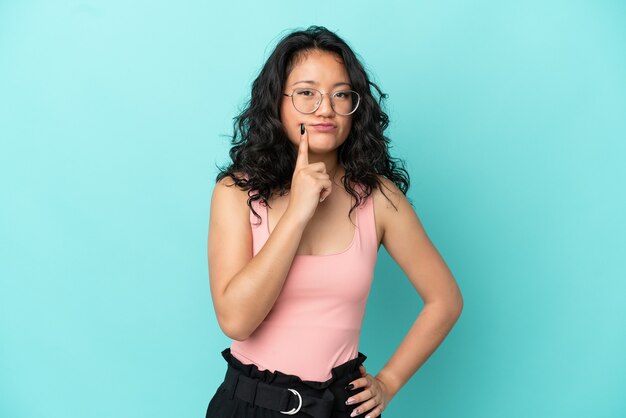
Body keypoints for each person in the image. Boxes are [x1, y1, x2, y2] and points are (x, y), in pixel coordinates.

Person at [206, 25, 463, 418]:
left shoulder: (378, 198)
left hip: (338, 408)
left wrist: (388, 382)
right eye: (307, 93)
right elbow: (237, 320)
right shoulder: (235, 192)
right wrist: (297, 212)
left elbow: (445, 300)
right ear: (277, 102)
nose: (325, 108)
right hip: (248, 405)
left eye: (341, 94)